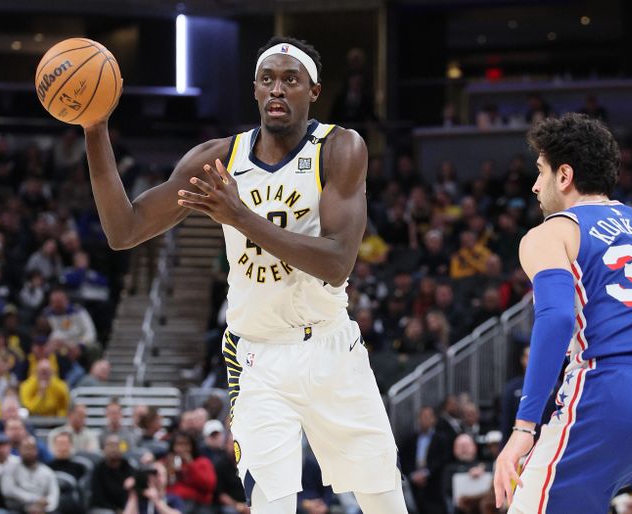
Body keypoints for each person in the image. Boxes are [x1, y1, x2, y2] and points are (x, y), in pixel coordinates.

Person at [83, 35, 405, 514]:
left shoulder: (339, 148)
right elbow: (124, 230)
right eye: (267, 80)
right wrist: (95, 129)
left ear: (313, 91)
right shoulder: (217, 160)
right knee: (271, 503)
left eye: (290, 80)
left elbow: (338, 264)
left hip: (331, 350)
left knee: (383, 500)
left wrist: (240, 216)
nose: (277, 89)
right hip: (256, 359)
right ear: (255, 90)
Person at [493, 113, 632, 513]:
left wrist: (524, 427)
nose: (534, 185)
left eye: (540, 172)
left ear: (564, 175)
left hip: (611, 390)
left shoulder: (553, 231)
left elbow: (558, 317)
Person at [0, 436, 59, 514]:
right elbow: (8, 491)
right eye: (25, 448)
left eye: (31, 448)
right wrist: (35, 499)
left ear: (37, 451)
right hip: (17, 508)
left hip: (42, 510)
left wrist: (45, 508)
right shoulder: (10, 467)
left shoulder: (47, 471)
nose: (28, 452)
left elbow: (54, 494)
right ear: (19, 451)